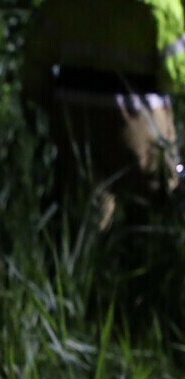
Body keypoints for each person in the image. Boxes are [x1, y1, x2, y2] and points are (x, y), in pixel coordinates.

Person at [22, 0, 185, 229]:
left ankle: (89, 251)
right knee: (157, 200)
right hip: (137, 121)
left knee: (86, 210)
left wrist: (53, 108)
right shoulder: (159, 5)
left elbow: (34, 67)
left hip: (76, 119)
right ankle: (141, 250)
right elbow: (175, 77)